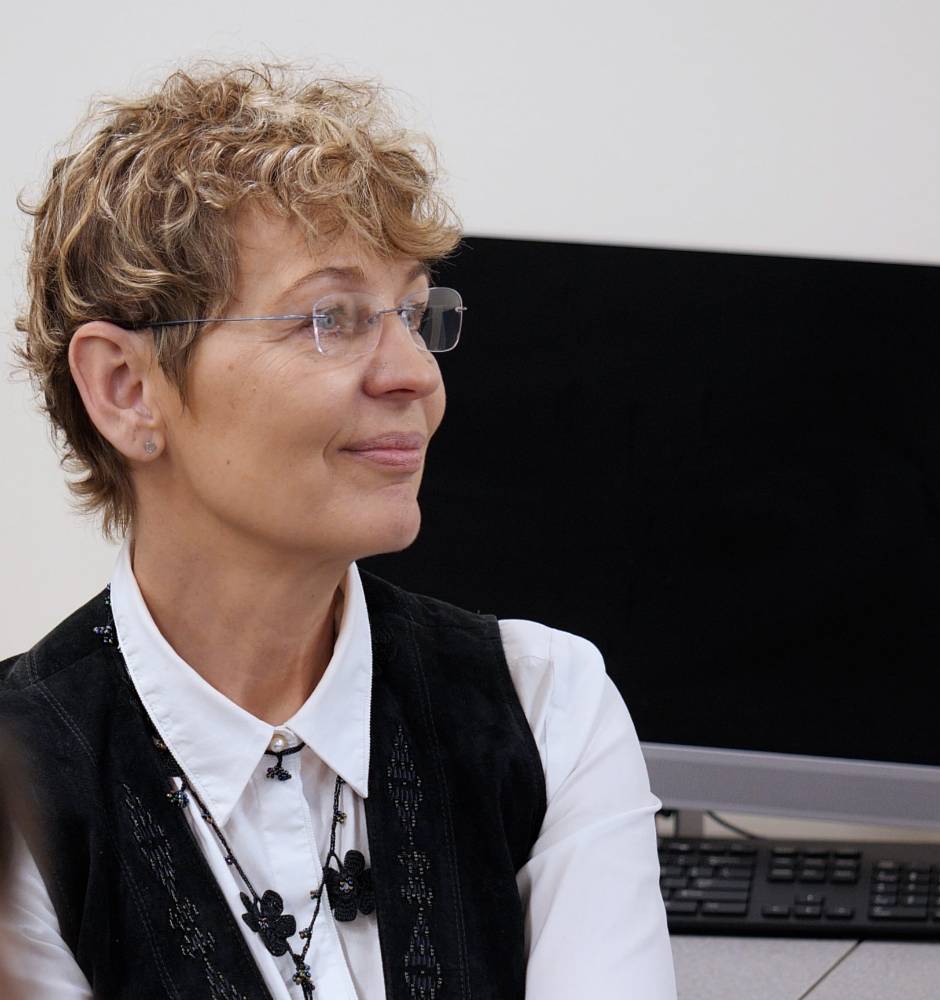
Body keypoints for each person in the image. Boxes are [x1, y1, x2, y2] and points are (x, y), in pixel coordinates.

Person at [0, 63, 676, 999]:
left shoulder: (546, 708)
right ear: (126, 388)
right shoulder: (19, 787)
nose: (415, 376)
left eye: (412, 312)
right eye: (331, 318)